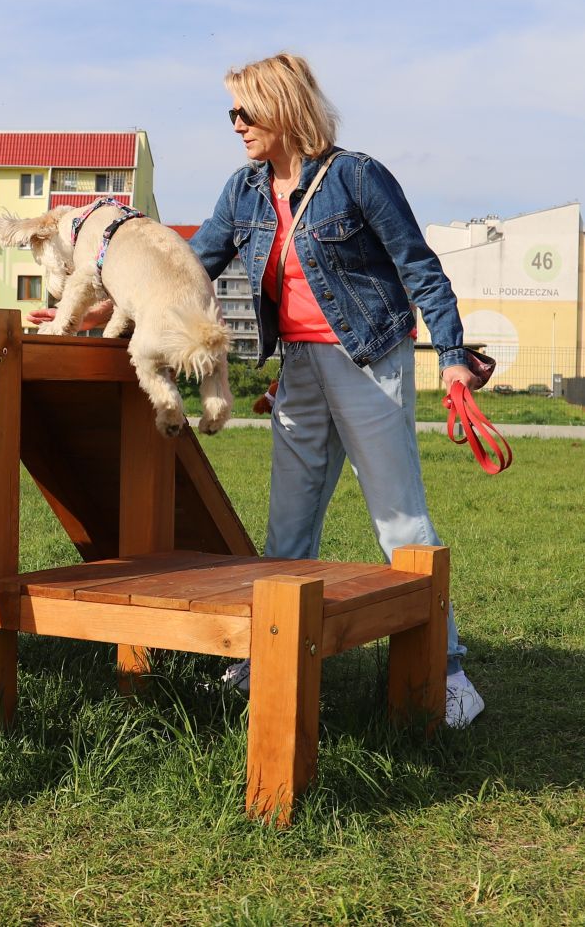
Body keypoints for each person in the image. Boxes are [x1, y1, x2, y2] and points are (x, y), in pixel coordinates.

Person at [188, 51, 482, 728]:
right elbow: (193, 263)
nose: (235, 124)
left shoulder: (356, 177)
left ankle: (449, 671)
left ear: (284, 107)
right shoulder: (243, 191)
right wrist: (116, 288)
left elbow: (419, 268)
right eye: (231, 111)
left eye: (245, 110)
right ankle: (270, 656)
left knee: (399, 518)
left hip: (369, 360)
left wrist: (456, 356)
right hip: (298, 369)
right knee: (287, 525)